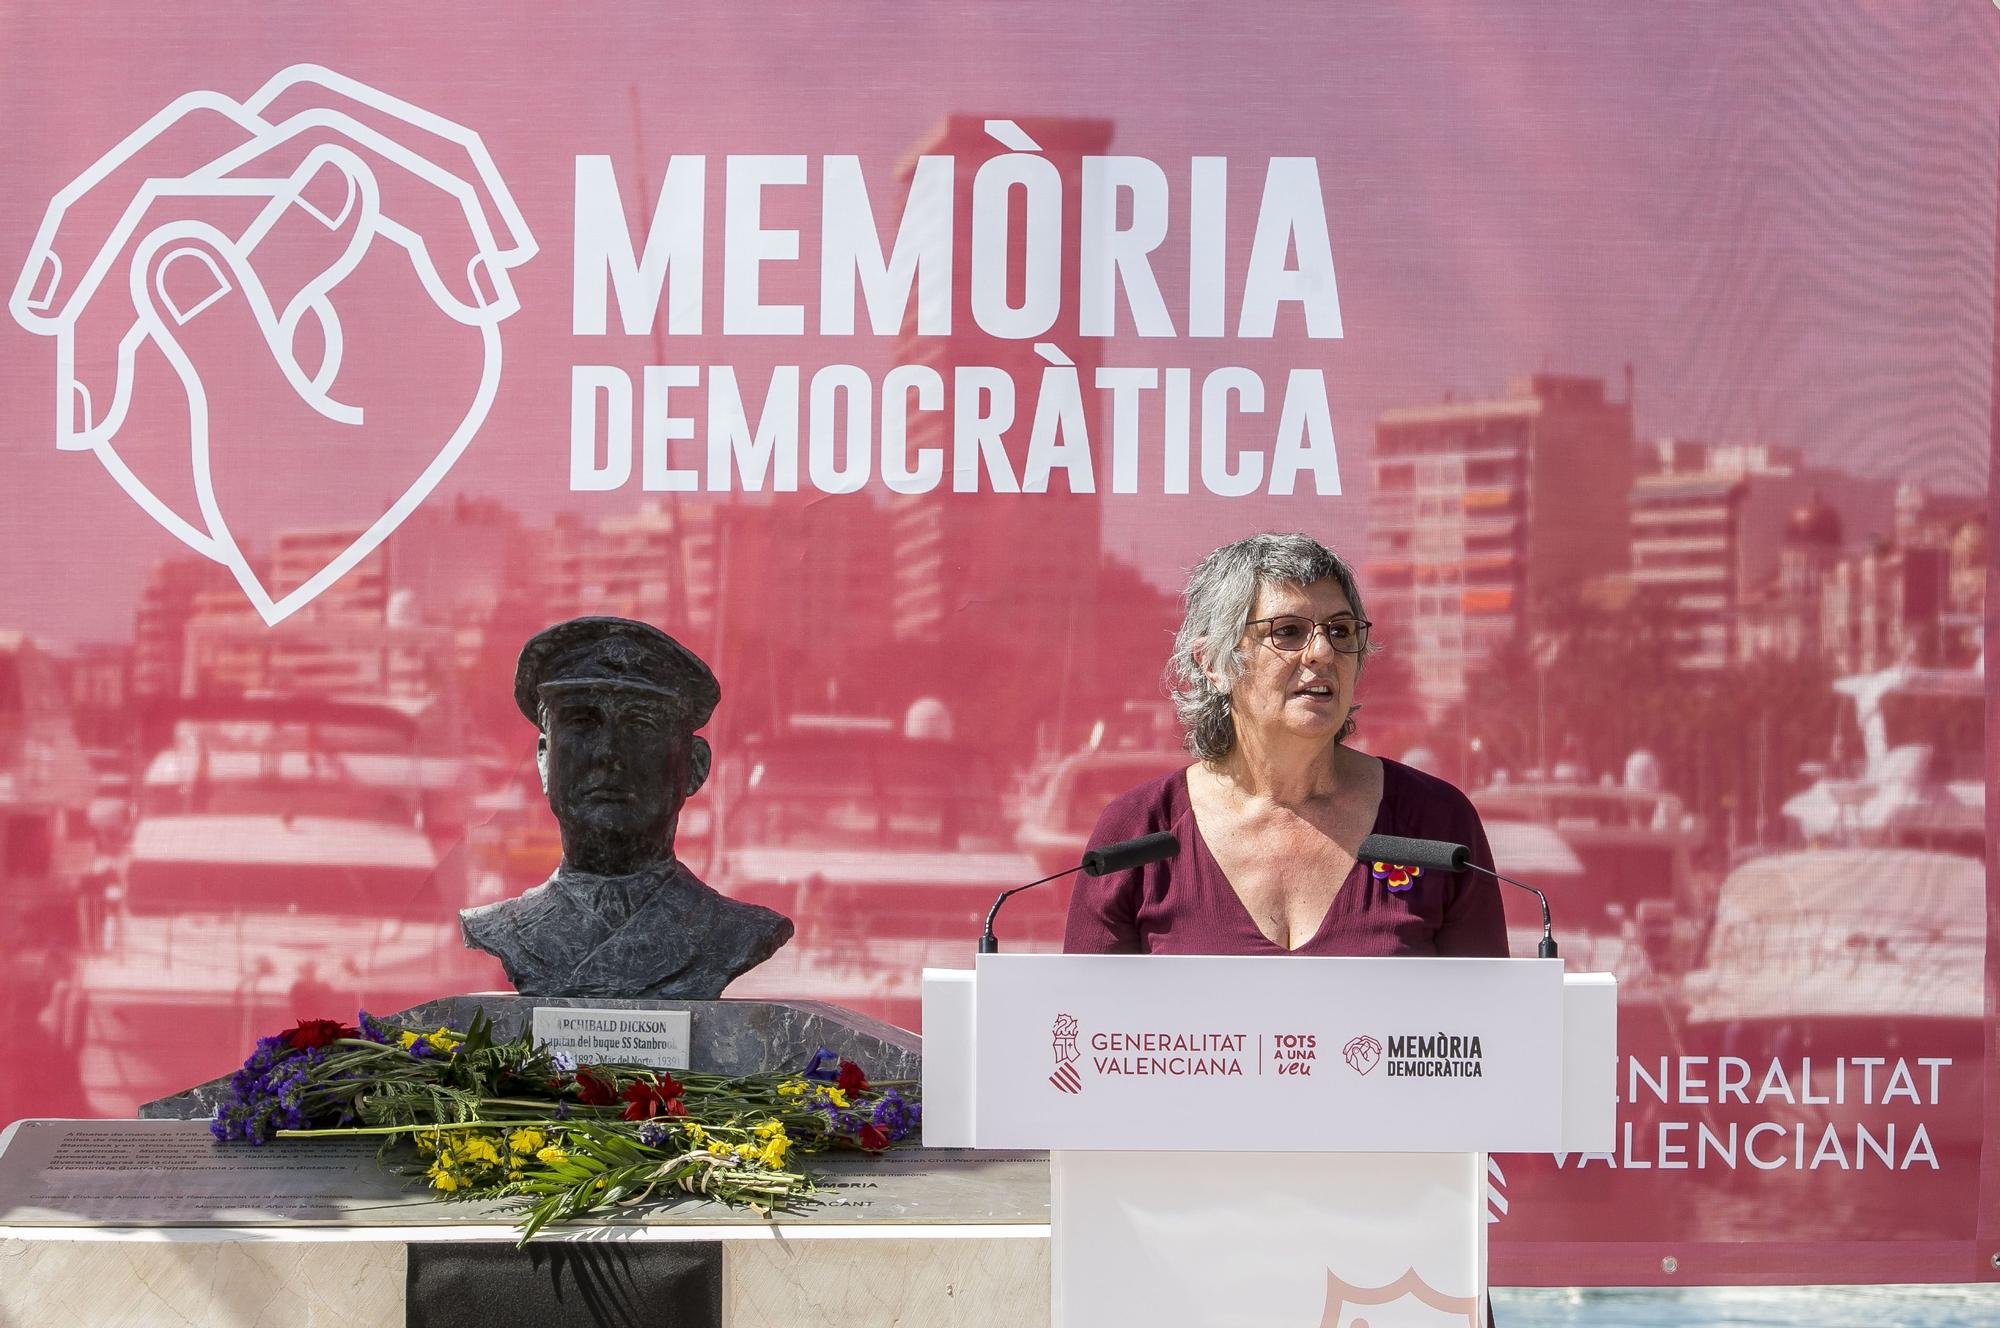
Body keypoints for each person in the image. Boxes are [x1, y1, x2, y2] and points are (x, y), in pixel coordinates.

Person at [1064, 533, 1507, 958]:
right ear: (1215, 664)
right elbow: (1082, 1023)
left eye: (1341, 631)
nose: (1321, 653)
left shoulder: (1436, 822)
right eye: (1289, 631)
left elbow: (1489, 1025)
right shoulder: (1138, 832)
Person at [460, 616, 793, 998]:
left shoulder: (734, 933)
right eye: (582, 722)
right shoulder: (502, 928)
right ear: (543, 760)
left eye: (642, 725)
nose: (609, 753)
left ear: (695, 766)